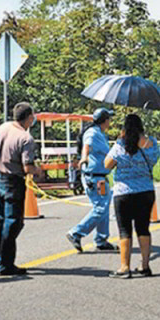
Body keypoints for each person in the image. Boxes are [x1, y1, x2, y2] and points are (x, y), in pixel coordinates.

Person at [104, 114, 160, 278]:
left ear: (125, 128)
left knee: (124, 230)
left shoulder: (121, 145)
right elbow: (154, 160)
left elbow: (107, 165)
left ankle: (124, 267)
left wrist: (118, 142)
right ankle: (145, 266)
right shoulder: (151, 143)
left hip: (124, 193)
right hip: (146, 192)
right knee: (143, 229)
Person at [0, 102, 43, 276]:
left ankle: (1, 257)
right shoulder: (26, 138)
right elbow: (27, 167)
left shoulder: (3, 127)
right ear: (29, 118)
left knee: (0, 220)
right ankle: (5, 264)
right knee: (13, 223)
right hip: (13, 181)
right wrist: (39, 171)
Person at [66, 108, 118, 253]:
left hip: (100, 176)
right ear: (105, 120)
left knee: (104, 207)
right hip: (94, 177)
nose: (110, 121)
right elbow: (87, 146)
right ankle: (76, 233)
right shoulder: (92, 133)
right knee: (100, 208)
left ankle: (101, 240)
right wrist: (84, 158)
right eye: (109, 119)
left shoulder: (100, 133)